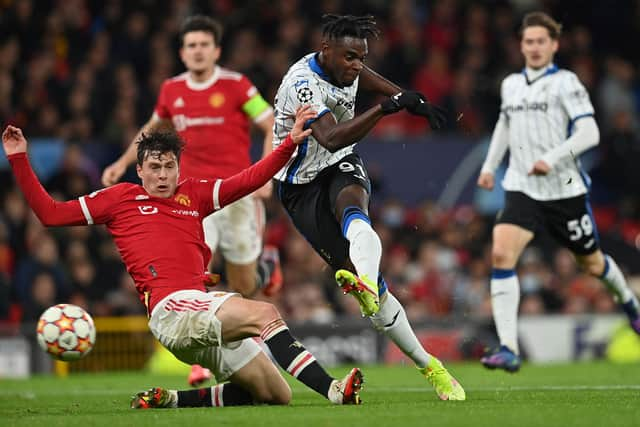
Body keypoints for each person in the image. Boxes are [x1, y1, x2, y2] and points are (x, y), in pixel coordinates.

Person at [2, 106, 364, 408]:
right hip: (172, 309)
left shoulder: (195, 194)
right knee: (265, 312)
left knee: (276, 394)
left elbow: (248, 180)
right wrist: (18, 158)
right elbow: (50, 214)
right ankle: (334, 391)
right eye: (154, 168)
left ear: (179, 167)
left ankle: (173, 400)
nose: (162, 176)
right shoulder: (119, 198)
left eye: (169, 167)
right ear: (140, 169)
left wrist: (288, 145)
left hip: (201, 308)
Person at [271, 14, 464, 401]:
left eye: (362, 58)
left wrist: (413, 102)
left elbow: (370, 83)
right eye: (350, 58)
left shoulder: (346, 66)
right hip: (298, 187)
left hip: (339, 163)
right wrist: (388, 108)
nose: (356, 66)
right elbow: (329, 137)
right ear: (325, 51)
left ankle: (430, 367)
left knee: (352, 207)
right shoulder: (303, 85)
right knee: (378, 305)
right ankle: (385, 306)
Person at [101, 15, 282, 386]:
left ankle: (265, 266)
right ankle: (203, 357)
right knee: (194, 271)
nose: (198, 51)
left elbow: (270, 122)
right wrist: (122, 163)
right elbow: (151, 129)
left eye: (204, 45)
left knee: (244, 282)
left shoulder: (237, 87)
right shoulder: (172, 90)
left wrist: (268, 174)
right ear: (182, 53)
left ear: (216, 50)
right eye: (191, 46)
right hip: (192, 197)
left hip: (234, 193)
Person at [477, 11, 640, 372]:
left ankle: (630, 303)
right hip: (522, 186)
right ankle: (508, 348)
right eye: (528, 41)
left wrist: (552, 159)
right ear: (521, 45)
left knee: (591, 262)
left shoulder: (567, 83)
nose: (534, 47)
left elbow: (589, 134)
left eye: (541, 41)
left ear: (553, 45)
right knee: (502, 254)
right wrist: (490, 166)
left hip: (563, 189)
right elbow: (505, 124)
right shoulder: (511, 85)